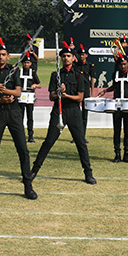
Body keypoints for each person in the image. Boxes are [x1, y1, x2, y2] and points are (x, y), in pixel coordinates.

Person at [31, 42, 96, 184]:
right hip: (58, 110)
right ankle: (34, 170)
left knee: (81, 143)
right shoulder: (56, 75)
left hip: (74, 111)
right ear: (60, 58)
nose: (66, 58)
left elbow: (80, 97)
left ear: (73, 58)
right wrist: (58, 93)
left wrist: (66, 95)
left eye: (68, 56)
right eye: (64, 56)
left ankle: (88, 173)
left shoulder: (79, 75)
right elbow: (51, 96)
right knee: (48, 141)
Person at [0, 38, 36, 200]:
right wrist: (0, 99)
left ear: (8, 56)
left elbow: (18, 92)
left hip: (14, 113)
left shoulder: (14, 71)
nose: (1, 57)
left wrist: (6, 91)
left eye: (3, 54)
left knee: (23, 149)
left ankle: (28, 186)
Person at [101, 54, 128, 162]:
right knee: (117, 130)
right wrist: (105, 91)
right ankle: (117, 154)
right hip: (116, 105)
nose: (123, 66)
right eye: (121, 64)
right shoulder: (115, 74)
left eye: (125, 64)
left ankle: (126, 154)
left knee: (127, 130)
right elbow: (114, 86)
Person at [18, 52, 41, 142]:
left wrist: (35, 85)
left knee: (30, 117)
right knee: (20, 116)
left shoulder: (33, 73)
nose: (26, 64)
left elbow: (39, 84)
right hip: (21, 95)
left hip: (30, 96)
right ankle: (20, 135)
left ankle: (30, 135)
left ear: (30, 63)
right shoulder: (19, 72)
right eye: (24, 62)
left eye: (28, 62)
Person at [75, 44, 94, 141]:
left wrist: (92, 92)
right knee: (76, 114)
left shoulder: (90, 66)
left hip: (86, 90)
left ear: (86, 55)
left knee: (84, 115)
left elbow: (92, 79)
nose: (82, 56)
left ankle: (83, 136)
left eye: (83, 54)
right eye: (80, 55)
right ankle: (76, 136)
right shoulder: (75, 65)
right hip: (77, 91)